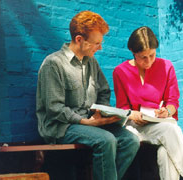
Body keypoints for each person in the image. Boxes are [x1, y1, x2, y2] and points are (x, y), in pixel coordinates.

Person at [36, 11, 140, 180]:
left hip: (90, 123)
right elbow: (54, 108)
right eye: (96, 43)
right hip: (61, 126)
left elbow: (104, 91)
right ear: (79, 40)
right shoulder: (53, 64)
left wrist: (100, 113)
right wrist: (85, 121)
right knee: (106, 140)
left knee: (131, 141)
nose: (100, 48)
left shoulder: (91, 62)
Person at [113, 26, 183, 180]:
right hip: (135, 127)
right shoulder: (120, 72)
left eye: (152, 55)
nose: (148, 61)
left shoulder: (166, 67)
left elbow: (173, 101)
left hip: (160, 123)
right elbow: (122, 107)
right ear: (133, 53)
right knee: (170, 131)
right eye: (143, 57)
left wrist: (167, 111)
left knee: (165, 151)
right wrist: (133, 115)